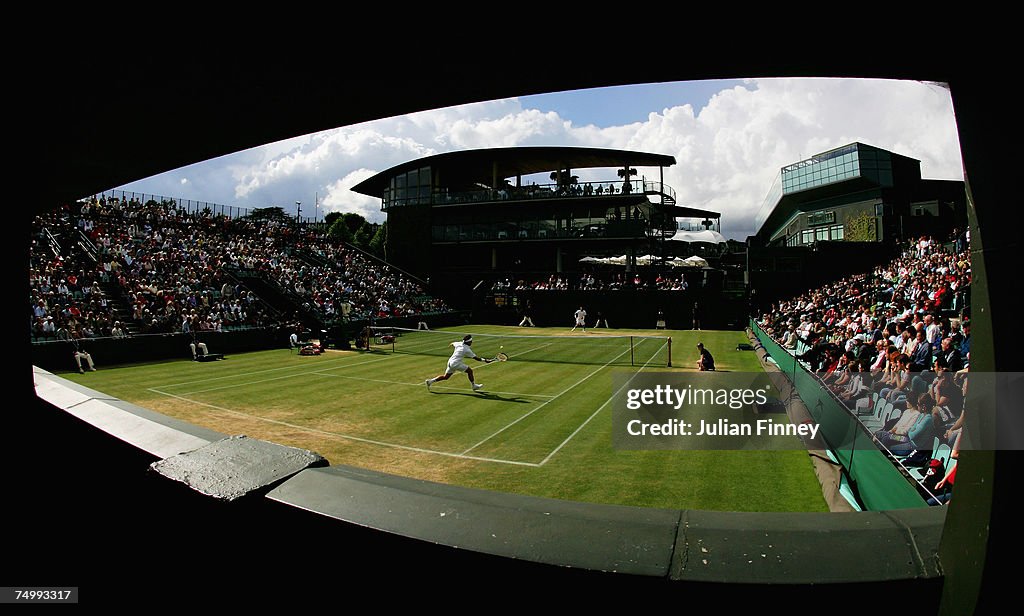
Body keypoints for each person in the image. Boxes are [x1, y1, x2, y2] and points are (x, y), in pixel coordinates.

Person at [424, 334, 493, 391]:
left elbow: (453, 343)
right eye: (471, 341)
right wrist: (485, 360)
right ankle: (473, 386)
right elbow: (476, 358)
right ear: (468, 342)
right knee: (470, 371)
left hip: (450, 362)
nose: (472, 342)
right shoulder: (467, 349)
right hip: (456, 364)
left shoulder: (459, 343)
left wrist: (450, 345)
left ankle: (430, 381)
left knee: (446, 377)